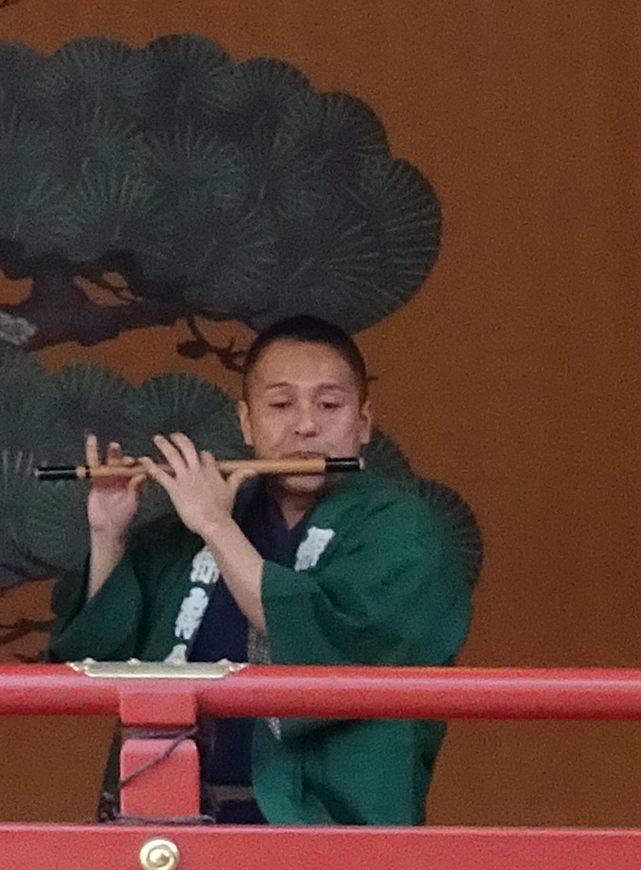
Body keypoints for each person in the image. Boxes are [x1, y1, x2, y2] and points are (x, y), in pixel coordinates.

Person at [45, 314, 476, 826]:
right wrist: (108, 531)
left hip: (326, 834)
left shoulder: (405, 532)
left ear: (362, 423)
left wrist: (214, 525)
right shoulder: (185, 536)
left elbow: (327, 648)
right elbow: (97, 660)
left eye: (329, 405)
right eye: (280, 404)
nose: (305, 425)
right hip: (172, 826)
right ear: (247, 422)